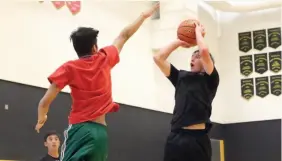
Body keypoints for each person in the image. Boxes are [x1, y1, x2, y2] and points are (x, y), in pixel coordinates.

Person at [34, 3, 159, 161]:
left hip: (79, 129)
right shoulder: (104, 59)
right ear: (94, 47)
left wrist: (41, 117)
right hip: (101, 132)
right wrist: (143, 16)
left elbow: (44, 102)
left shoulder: (69, 68)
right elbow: (124, 35)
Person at [153, 23, 220, 161]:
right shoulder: (180, 76)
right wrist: (179, 41)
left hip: (198, 139)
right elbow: (158, 58)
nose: (193, 58)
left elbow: (204, 51)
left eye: (197, 56)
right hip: (176, 136)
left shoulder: (211, 79)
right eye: (192, 56)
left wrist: (198, 34)